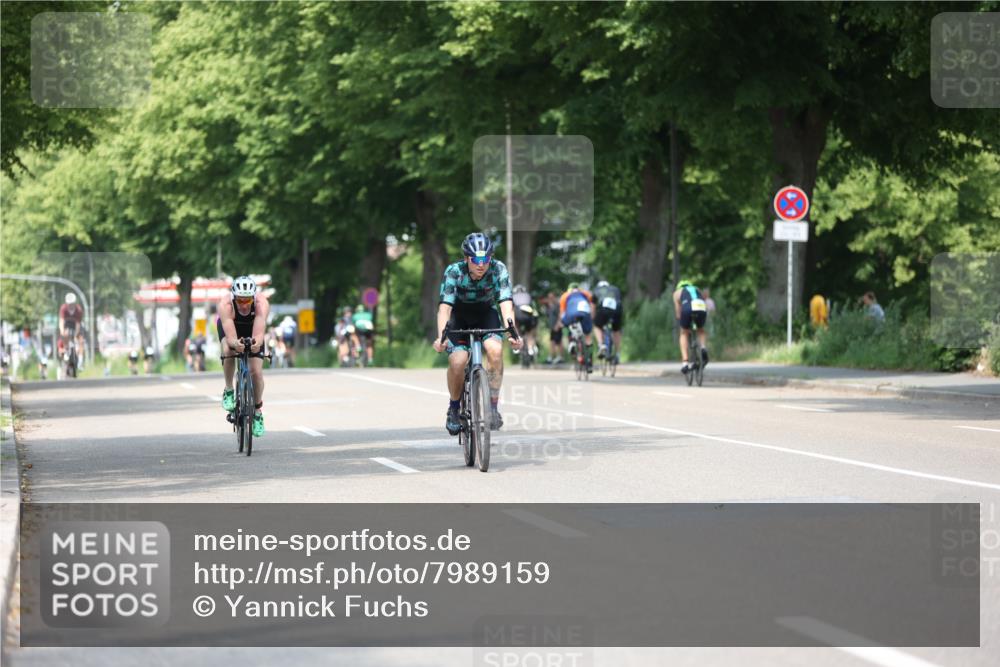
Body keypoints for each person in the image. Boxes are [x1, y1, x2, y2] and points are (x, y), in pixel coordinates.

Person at [432, 232, 522, 435]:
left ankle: (493, 407)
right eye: (476, 260)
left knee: (495, 351)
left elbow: (506, 303)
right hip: (459, 316)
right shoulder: (454, 271)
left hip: (486, 314)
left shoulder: (498, 269)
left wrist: (513, 332)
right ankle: (454, 409)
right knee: (458, 360)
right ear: (466, 259)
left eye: (485, 259)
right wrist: (441, 338)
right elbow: (445, 308)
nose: (481, 264)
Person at [217, 275, 270, 437]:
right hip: (231, 328)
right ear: (234, 298)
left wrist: (255, 343)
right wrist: (235, 344)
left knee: (256, 371)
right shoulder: (225, 305)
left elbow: (259, 334)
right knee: (228, 350)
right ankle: (229, 389)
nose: (244, 305)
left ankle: (258, 411)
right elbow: (231, 337)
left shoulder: (261, 304)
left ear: (253, 298)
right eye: (240, 301)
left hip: (253, 329)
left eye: (248, 301)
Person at [555, 282, 595, 373]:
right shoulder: (585, 293)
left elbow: (562, 313)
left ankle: (572, 341)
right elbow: (592, 303)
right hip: (585, 312)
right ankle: (589, 360)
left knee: (567, 324)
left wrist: (562, 323)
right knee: (588, 335)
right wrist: (592, 315)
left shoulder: (565, 296)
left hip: (571, 314)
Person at [673, 280, 710, 376]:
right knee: (700, 330)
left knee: (684, 333)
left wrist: (683, 323)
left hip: (688, 308)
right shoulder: (697, 289)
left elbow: (678, 314)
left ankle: (685, 363)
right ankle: (703, 348)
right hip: (701, 306)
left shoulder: (677, 293)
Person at [592, 279, 624, 364]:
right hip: (617, 310)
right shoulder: (615, 289)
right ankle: (617, 354)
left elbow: (593, 307)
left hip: (603, 309)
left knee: (597, 326)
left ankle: (601, 345)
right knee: (616, 331)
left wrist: (593, 318)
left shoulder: (596, 290)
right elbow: (620, 301)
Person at [511, 285, 539, 365]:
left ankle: (517, 339)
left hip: (518, 316)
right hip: (529, 317)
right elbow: (534, 308)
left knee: (516, 326)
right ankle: (530, 350)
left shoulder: (513, 296)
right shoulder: (528, 296)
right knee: (530, 333)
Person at [58, 293, 84, 370]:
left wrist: (76, 335)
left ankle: (80, 362)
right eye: (69, 304)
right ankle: (66, 349)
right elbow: (61, 321)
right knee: (64, 334)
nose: (70, 306)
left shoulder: (78, 310)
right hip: (67, 324)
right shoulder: (63, 308)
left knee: (81, 340)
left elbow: (78, 324)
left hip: (76, 325)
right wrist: (62, 332)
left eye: (72, 304)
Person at [544, 291, 564, 364]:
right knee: (552, 342)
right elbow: (547, 315)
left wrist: (558, 324)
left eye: (551, 297)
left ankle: (560, 357)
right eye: (549, 297)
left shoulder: (557, 305)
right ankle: (551, 357)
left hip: (557, 326)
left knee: (559, 342)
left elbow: (560, 315)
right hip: (552, 327)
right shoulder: (549, 306)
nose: (550, 299)